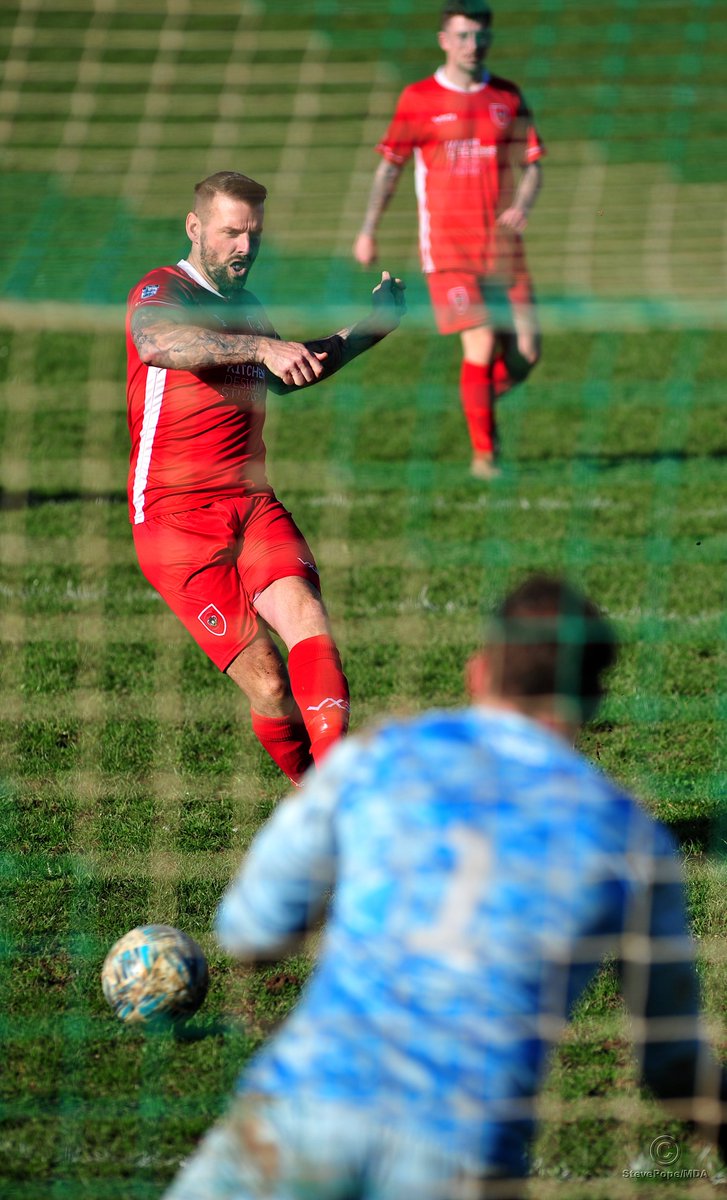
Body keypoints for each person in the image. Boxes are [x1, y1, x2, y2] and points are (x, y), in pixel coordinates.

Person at [163, 573, 727, 1199]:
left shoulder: (385, 756)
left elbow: (249, 930)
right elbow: (675, 1065)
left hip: (299, 1111)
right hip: (461, 1155)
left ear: (479, 673)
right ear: (591, 704)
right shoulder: (632, 841)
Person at [126, 171, 406, 784]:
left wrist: (370, 327)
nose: (244, 249)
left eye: (253, 234)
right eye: (230, 233)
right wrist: (259, 348)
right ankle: (315, 794)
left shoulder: (247, 309)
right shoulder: (161, 289)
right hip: (175, 523)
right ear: (195, 228)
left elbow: (289, 369)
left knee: (307, 615)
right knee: (272, 685)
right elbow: (155, 343)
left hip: (252, 504)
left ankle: (338, 799)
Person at [353, 1, 544, 480]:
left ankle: (475, 400)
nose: (472, 45)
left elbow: (534, 166)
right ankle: (486, 458)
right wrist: (368, 229)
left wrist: (522, 201)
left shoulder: (507, 97)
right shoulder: (418, 98)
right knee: (479, 342)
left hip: (503, 250)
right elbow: (388, 169)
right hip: (448, 250)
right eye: (461, 36)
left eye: (480, 36)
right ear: (443, 40)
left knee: (525, 356)